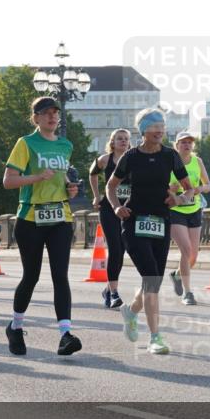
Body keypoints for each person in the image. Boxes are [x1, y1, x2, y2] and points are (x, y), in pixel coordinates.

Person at [107, 109, 193, 354]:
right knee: (152, 278)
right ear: (143, 130)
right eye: (154, 126)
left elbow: (189, 189)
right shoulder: (131, 157)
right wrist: (115, 207)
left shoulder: (170, 156)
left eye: (162, 126)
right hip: (134, 223)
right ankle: (156, 336)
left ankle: (130, 311)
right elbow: (111, 186)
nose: (159, 130)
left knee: (151, 279)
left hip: (161, 223)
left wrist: (179, 199)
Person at [2, 97, 81, 356]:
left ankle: (65, 335)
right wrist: (37, 177)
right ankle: (15, 326)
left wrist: (70, 189)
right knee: (32, 276)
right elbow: (8, 182)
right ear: (35, 118)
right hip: (31, 218)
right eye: (45, 113)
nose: (51, 117)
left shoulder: (65, 145)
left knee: (61, 275)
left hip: (61, 216)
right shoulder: (26, 143)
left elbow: (62, 181)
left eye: (55, 113)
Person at [166, 131, 210, 306]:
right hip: (176, 210)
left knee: (193, 255)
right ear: (176, 145)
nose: (187, 145)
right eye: (183, 142)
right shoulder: (169, 162)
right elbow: (160, 187)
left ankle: (177, 275)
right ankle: (188, 293)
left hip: (194, 209)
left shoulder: (197, 161)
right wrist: (172, 188)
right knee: (186, 250)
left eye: (190, 142)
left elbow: (208, 185)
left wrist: (197, 189)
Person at [88, 128, 131, 309]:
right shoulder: (105, 159)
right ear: (112, 142)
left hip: (128, 209)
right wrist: (96, 195)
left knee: (122, 250)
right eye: (119, 139)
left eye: (126, 139)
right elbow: (92, 174)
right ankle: (114, 293)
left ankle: (108, 288)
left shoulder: (133, 159)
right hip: (108, 209)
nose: (122, 141)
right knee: (115, 249)